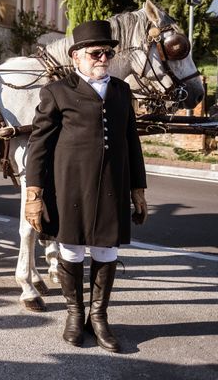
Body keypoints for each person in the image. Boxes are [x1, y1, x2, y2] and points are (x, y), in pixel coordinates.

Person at [24, 19, 148, 353]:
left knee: (108, 250)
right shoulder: (57, 91)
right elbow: (39, 146)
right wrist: (33, 194)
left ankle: (99, 316)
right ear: (76, 56)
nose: (103, 58)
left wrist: (138, 188)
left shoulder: (122, 91)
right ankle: (75, 314)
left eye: (108, 52)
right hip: (70, 187)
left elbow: (130, 141)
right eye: (96, 53)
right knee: (71, 249)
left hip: (113, 185)